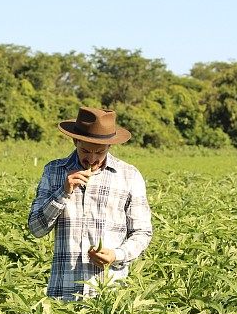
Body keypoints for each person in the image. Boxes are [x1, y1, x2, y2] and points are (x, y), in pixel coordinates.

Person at [28, 106, 153, 300]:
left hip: (110, 295)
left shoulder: (129, 176)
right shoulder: (54, 171)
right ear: (75, 140)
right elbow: (36, 229)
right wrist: (63, 192)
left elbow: (142, 233)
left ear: (110, 146)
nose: (92, 159)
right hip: (64, 293)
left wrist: (116, 255)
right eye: (85, 150)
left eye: (100, 152)